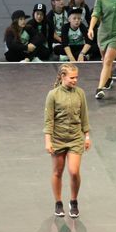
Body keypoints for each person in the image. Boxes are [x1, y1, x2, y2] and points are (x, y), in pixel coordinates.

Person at [44, 63, 90, 219]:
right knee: (58, 171)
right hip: (58, 138)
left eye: (76, 77)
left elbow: (84, 116)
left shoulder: (80, 93)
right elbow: (48, 120)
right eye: (72, 78)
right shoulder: (53, 95)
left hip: (75, 138)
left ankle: (73, 201)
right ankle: (58, 203)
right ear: (63, 77)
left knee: (74, 171)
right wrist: (48, 141)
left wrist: (87, 136)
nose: (75, 80)